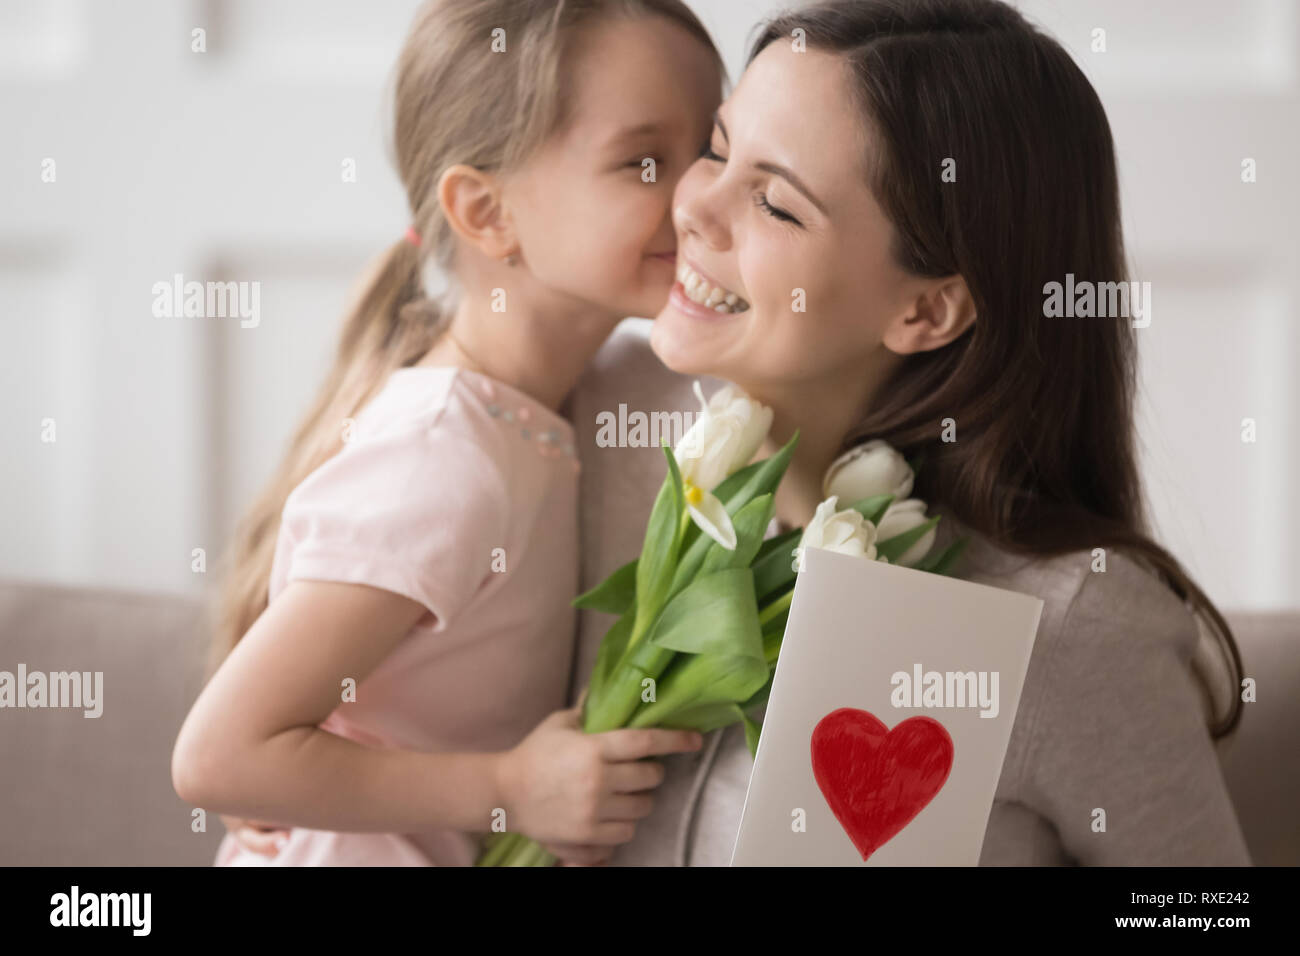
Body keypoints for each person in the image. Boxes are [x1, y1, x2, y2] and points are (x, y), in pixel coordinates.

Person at [566, 0, 1251, 865]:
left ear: (927, 308)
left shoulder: (1069, 619)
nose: (696, 206)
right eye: (716, 145)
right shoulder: (607, 426)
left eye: (776, 204)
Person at [171, 0, 723, 866]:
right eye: (646, 160)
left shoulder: (571, 400)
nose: (698, 191)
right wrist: (509, 788)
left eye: (709, 151)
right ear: (486, 212)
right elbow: (218, 757)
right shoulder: (447, 454)